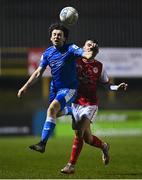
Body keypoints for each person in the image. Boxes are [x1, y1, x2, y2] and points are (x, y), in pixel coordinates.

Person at [17, 23, 95, 153]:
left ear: (64, 38)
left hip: (69, 88)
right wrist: (25, 87)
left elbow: (86, 55)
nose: (56, 36)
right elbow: (38, 72)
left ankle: (42, 144)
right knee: (55, 113)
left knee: (51, 109)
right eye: (54, 34)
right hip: (55, 88)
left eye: (59, 35)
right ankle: (71, 111)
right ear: (50, 37)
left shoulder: (71, 48)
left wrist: (91, 51)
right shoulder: (47, 53)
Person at [61, 39, 128, 174]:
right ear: (83, 48)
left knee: (79, 132)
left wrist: (116, 87)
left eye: (93, 45)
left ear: (97, 49)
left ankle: (71, 165)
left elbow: (106, 84)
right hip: (75, 104)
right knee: (88, 139)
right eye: (88, 44)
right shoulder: (75, 62)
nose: (91, 46)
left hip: (90, 105)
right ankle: (104, 146)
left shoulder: (99, 66)